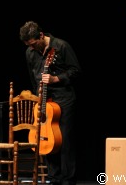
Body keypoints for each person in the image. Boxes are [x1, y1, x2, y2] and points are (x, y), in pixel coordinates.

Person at [19, 21, 82, 185]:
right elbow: (33, 77)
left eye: (33, 44)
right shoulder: (30, 53)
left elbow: (76, 71)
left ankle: (68, 179)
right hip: (45, 99)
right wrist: (38, 99)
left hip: (64, 98)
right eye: (29, 46)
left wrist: (56, 78)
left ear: (41, 35)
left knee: (65, 140)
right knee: (47, 138)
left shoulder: (61, 46)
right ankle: (54, 178)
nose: (32, 48)